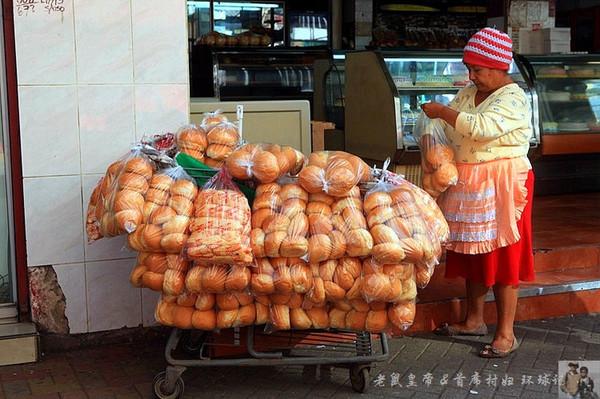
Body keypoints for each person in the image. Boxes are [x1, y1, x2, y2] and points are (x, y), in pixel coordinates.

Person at [421, 27, 535, 358]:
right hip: (469, 182)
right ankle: (473, 320)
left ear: (500, 67)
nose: (471, 76)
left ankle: (506, 333)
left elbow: (481, 129)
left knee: (502, 257)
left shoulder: (513, 98)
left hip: (504, 182)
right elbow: (443, 127)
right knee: (474, 253)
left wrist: (442, 112)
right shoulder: (470, 92)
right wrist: (430, 136)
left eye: (478, 70)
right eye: (469, 69)